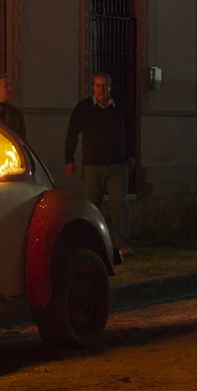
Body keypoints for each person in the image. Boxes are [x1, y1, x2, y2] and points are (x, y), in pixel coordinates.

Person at [64, 72, 135, 259]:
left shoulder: (120, 106)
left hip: (117, 164)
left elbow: (131, 131)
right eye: (98, 86)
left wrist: (131, 154)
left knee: (119, 204)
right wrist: (69, 159)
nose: (102, 90)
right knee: (92, 206)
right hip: (92, 165)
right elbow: (72, 134)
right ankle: (92, 243)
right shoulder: (84, 108)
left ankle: (121, 244)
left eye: (105, 86)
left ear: (110, 87)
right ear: (92, 87)